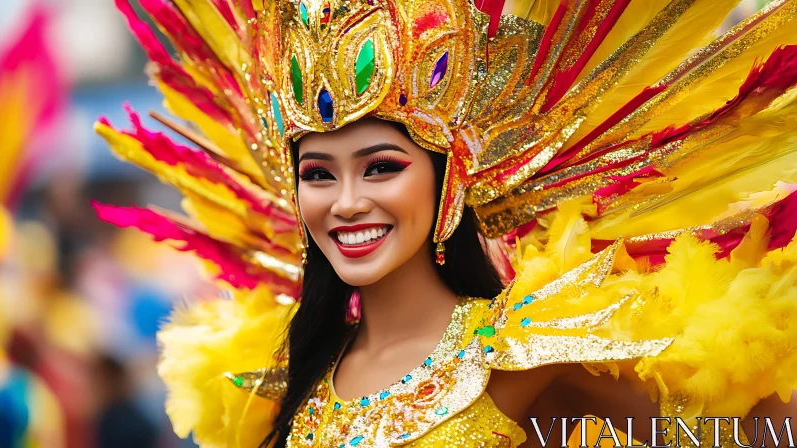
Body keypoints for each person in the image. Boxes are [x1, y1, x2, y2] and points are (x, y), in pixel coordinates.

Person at [94, 0, 797, 446]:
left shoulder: (526, 352)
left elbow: (746, 434)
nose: (345, 203)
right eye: (318, 174)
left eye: (379, 168)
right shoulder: (285, 376)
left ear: (447, 178)